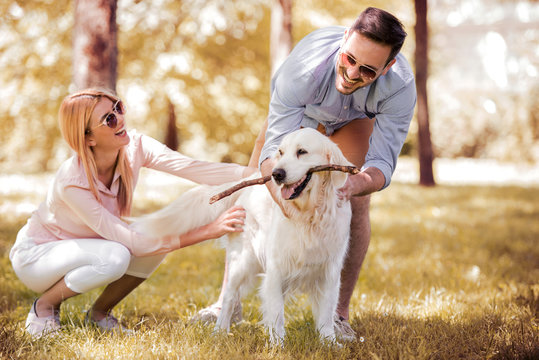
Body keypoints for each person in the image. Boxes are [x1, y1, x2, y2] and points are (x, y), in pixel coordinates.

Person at [192, 7, 416, 341]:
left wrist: (355, 184)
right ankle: (228, 301)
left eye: (368, 70)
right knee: (252, 200)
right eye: (349, 59)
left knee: (355, 201)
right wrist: (286, 206)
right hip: (298, 120)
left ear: (388, 67)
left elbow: (381, 165)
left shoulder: (400, 88)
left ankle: (336, 316)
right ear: (344, 39)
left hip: (355, 121)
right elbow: (272, 157)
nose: (352, 74)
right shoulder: (303, 69)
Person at [9, 88, 256, 338]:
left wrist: (253, 174)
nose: (120, 118)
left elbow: (195, 169)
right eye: (109, 119)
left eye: (118, 108)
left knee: (157, 234)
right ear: (88, 139)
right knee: (117, 256)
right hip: (38, 257)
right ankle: (44, 306)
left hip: (87, 245)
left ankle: (99, 314)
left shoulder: (134, 146)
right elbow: (134, 244)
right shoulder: (71, 181)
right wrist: (208, 231)